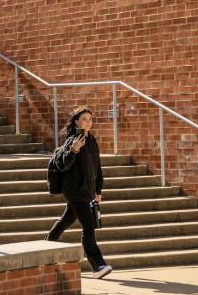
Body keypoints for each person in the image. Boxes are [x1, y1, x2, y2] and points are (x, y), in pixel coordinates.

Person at [45, 107, 112, 280]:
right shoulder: (73, 139)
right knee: (88, 227)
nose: (88, 122)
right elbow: (62, 165)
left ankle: (45, 246)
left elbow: (97, 168)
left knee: (65, 220)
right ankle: (98, 265)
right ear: (76, 121)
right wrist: (73, 150)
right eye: (84, 119)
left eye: (90, 119)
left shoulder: (91, 140)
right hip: (75, 190)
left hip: (87, 191)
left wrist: (98, 190)